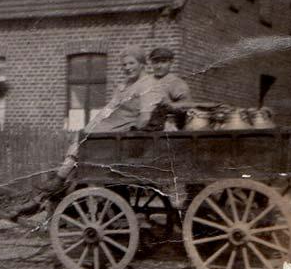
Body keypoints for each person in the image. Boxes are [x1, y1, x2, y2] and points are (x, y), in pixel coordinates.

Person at [15, 46, 191, 216]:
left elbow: (145, 117)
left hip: (127, 132)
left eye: (131, 63)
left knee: (86, 146)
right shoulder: (124, 86)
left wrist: (127, 133)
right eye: (124, 65)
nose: (127, 68)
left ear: (142, 64)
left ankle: (56, 185)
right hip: (115, 127)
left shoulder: (149, 84)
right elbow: (109, 108)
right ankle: (52, 192)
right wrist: (93, 124)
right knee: (83, 138)